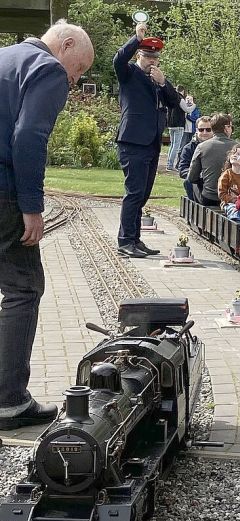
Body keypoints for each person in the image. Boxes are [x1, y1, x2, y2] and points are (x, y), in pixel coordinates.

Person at [0, 21, 93, 430]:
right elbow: (29, 137)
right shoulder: (46, 68)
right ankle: (8, 401)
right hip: (4, 193)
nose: (75, 80)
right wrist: (32, 206)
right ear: (65, 44)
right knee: (23, 289)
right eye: (78, 69)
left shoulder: (5, 58)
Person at [114, 21, 184, 258]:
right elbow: (118, 60)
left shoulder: (158, 80)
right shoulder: (129, 73)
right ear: (139, 56)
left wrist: (164, 83)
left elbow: (175, 103)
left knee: (142, 194)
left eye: (155, 58)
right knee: (133, 193)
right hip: (133, 142)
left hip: (152, 143)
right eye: (147, 57)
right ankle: (125, 241)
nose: (152, 61)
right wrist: (135, 37)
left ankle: (135, 238)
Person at [187, 113, 236, 207]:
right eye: (231, 126)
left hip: (210, 198)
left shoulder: (202, 147)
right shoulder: (239, 147)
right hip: (232, 198)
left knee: (190, 183)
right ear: (226, 127)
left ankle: (195, 211)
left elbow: (192, 177)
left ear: (212, 128)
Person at [179, 115, 213, 200]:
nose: (205, 132)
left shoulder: (219, 147)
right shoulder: (188, 148)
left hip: (215, 182)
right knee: (188, 181)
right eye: (201, 130)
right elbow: (183, 170)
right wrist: (199, 174)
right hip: (198, 182)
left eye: (208, 129)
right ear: (196, 130)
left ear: (213, 130)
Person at [165, 85, 192, 171]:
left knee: (172, 145)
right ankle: (170, 165)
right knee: (176, 146)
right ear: (183, 91)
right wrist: (193, 106)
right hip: (178, 124)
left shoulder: (170, 98)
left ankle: (169, 163)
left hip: (171, 124)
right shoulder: (180, 99)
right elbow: (187, 110)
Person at [218, 144, 240, 217]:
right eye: (233, 153)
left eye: (239, 154)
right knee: (236, 212)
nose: (235, 155)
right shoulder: (226, 174)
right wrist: (234, 200)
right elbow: (221, 194)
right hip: (228, 203)